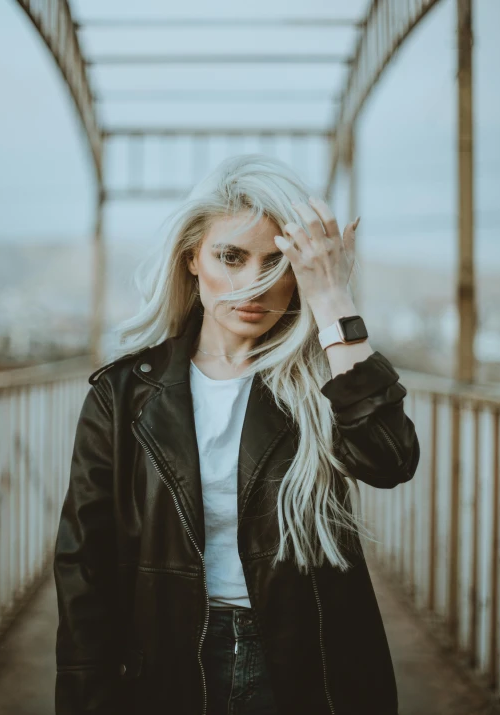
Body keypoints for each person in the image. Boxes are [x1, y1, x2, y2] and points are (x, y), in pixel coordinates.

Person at [53, 154, 420, 715]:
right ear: (192, 260)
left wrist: (332, 301)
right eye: (231, 256)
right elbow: (85, 559)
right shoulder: (123, 393)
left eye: (278, 263)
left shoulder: (327, 378)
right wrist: (86, 689)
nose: (253, 284)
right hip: (165, 656)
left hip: (304, 656)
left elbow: (390, 461)